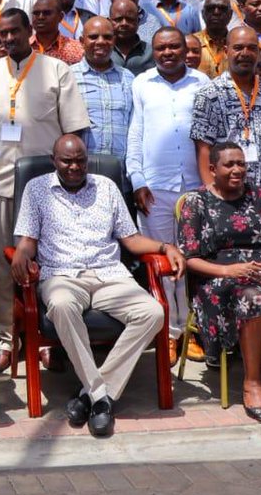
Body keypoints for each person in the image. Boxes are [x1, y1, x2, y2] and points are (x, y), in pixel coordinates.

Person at [11, 135, 181, 436]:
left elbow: (130, 239)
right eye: (67, 161)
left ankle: (92, 395)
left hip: (109, 275)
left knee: (152, 312)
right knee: (61, 305)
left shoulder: (107, 187)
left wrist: (165, 246)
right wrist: (21, 255)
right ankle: (102, 399)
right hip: (61, 274)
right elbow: (27, 241)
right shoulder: (36, 189)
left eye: (80, 160)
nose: (75, 166)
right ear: (54, 161)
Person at [0, 9, 90, 370]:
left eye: (15, 32)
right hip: (0, 182)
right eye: (3, 34)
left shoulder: (56, 69)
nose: (9, 39)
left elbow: (75, 131)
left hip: (48, 189)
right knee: (2, 265)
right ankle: (5, 339)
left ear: (30, 31)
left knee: (49, 264)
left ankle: (48, 338)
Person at [178, 143, 261, 421]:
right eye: (229, 164)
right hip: (218, 277)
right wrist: (230, 271)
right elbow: (189, 257)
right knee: (252, 298)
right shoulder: (196, 202)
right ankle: (251, 382)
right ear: (212, 169)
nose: (237, 170)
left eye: (241, 164)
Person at [127, 28, 208, 363]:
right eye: (161, 48)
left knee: (196, 264)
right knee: (165, 265)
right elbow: (136, 134)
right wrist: (137, 181)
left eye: (174, 46)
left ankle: (197, 329)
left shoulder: (202, 83)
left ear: (186, 49)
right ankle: (171, 333)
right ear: (153, 51)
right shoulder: (142, 83)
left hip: (197, 187)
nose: (168, 52)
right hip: (156, 188)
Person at [190, 26, 261, 215]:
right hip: (228, 202)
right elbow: (203, 149)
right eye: (238, 47)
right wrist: (213, 196)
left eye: (251, 48)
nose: (245, 53)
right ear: (226, 51)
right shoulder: (208, 95)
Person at [72, 17, 134, 159]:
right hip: (82, 171)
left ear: (114, 41)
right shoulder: (69, 76)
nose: (100, 42)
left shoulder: (128, 78)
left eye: (107, 37)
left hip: (120, 171)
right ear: (82, 42)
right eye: (93, 37)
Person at [30, 0, 83, 64]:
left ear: (60, 17)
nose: (40, 17)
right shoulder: (22, 48)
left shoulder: (77, 50)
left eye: (47, 13)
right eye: (36, 13)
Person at [109, 0, 154, 76]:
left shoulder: (152, 52)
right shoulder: (102, 51)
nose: (124, 24)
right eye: (118, 19)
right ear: (109, 22)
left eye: (130, 19)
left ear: (138, 21)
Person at [194, 0, 233, 78]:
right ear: (203, 13)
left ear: (230, 14)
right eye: (210, 8)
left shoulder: (237, 44)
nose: (216, 12)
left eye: (222, 8)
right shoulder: (191, 44)